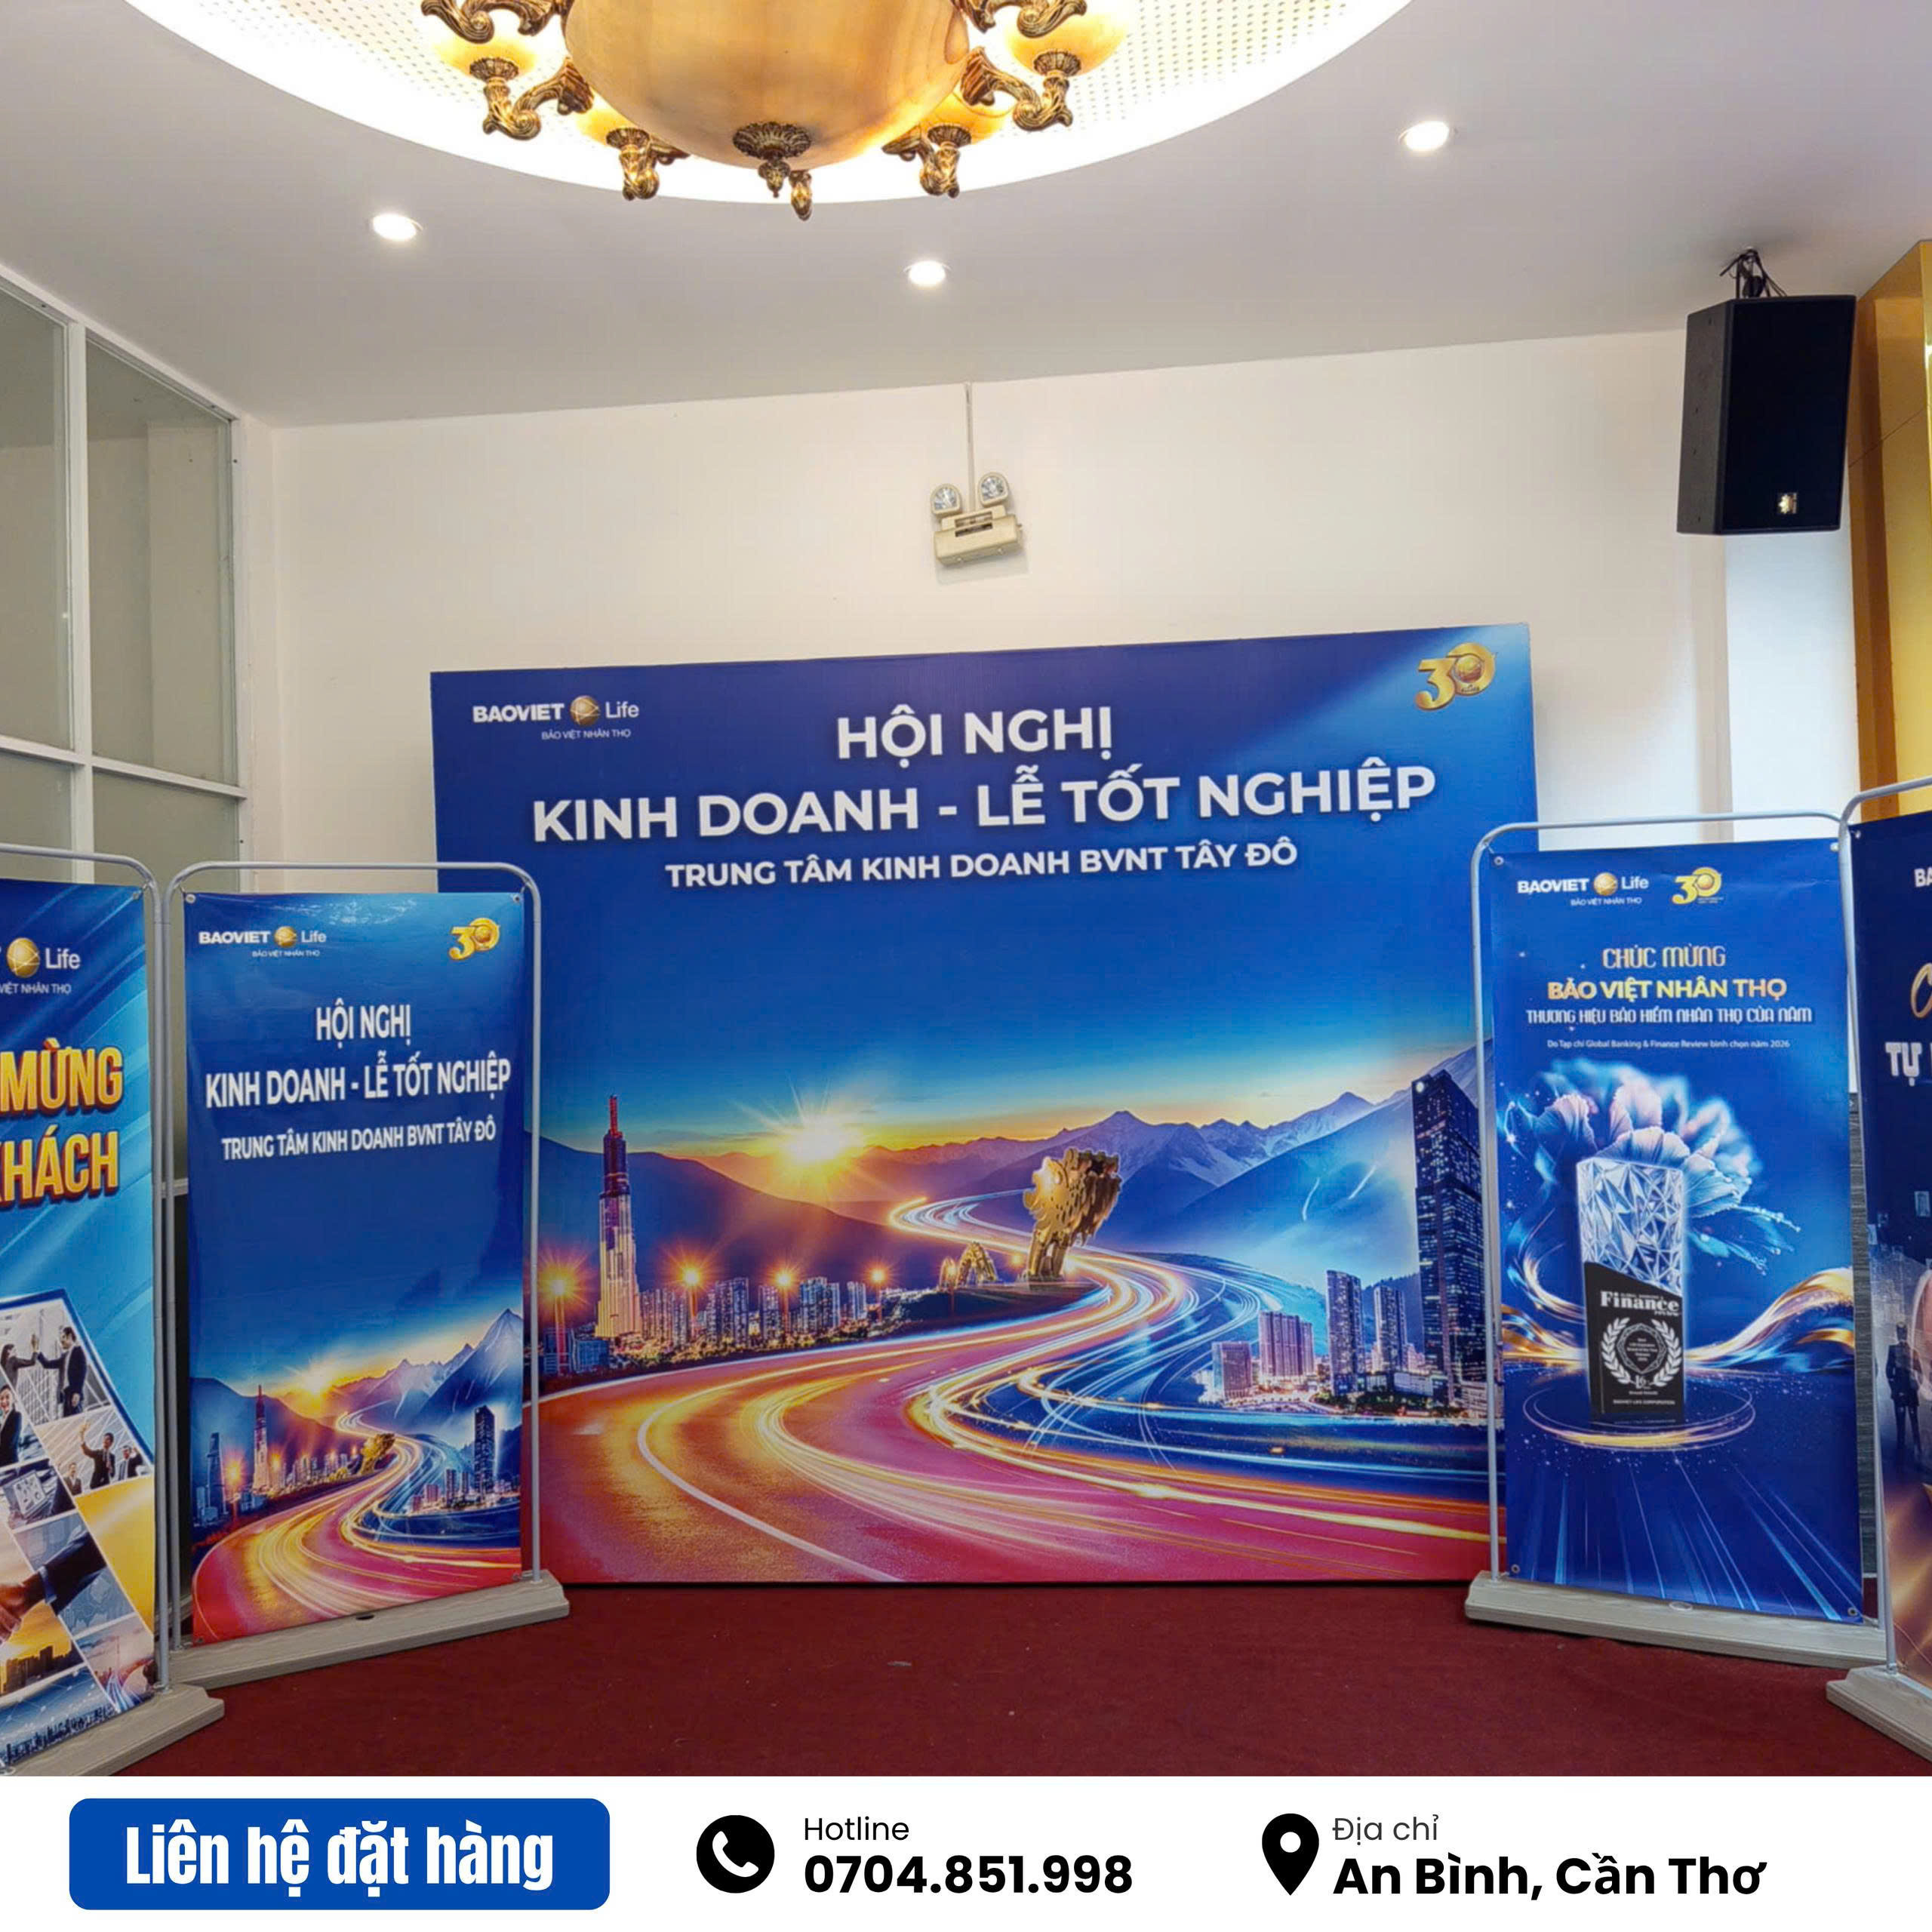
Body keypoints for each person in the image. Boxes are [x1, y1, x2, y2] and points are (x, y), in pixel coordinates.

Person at [1887, 1323, 1922, 1468]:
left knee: (1915, 1426)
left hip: (1911, 1393)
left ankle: (1918, 1455)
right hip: (1900, 1394)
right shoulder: (1893, 1350)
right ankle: (1900, 1459)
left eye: (1904, 1332)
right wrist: (1895, 1390)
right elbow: (1889, 1372)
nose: (1902, 1334)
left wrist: (1917, 1385)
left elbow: (1920, 1372)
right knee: (1901, 1427)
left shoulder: (1914, 1352)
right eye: (1900, 1332)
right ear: (1897, 1333)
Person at [38, 1327, 88, 1418]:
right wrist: (37, 1351)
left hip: (74, 1392)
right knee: (67, 1420)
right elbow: (47, 1364)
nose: (61, 1341)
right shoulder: (64, 1357)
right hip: (66, 1394)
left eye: (63, 1337)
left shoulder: (79, 1351)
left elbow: (82, 1372)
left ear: (70, 1336)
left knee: (76, 1419)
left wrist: (77, 1392)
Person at [79, 1423, 116, 1493]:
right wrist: (81, 1435)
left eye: (107, 1439)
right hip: (95, 1484)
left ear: (111, 1443)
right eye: (104, 1439)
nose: (105, 1441)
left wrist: (110, 1468)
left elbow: (113, 1474)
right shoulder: (98, 1453)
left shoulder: (112, 1457)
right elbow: (87, 1451)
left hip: (105, 1485)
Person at [0, 1386, 20, 1469]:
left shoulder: (16, 1416)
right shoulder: (1, 1421)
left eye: (7, 1397)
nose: (4, 1401)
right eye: (1, 1398)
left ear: (13, 1399)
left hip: (10, 1465)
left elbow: (9, 1443)